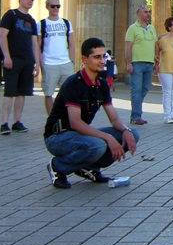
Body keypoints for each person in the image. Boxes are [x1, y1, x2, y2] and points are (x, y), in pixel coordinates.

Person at [44, 37, 140, 189]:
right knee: (98, 145)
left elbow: (114, 118)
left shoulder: (101, 84)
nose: (102, 61)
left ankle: (88, 167)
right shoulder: (73, 83)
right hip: (58, 137)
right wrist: (107, 137)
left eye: (103, 57)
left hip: (79, 136)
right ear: (84, 59)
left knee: (132, 134)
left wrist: (125, 130)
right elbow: (75, 123)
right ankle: (58, 166)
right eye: (97, 57)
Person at [0, 0, 41, 135]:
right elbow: (2, 35)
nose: (30, 2)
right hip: (13, 59)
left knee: (22, 93)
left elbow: (34, 43)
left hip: (27, 60)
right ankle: (4, 123)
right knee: (9, 92)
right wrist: (6, 57)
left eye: (32, 0)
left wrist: (36, 63)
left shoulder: (31, 20)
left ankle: (17, 122)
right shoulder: (11, 15)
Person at [37, 0, 75, 115]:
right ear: (47, 7)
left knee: (69, 92)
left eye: (57, 6)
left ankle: (66, 117)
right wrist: (40, 63)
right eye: (53, 6)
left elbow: (72, 43)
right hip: (49, 63)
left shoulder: (66, 23)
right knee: (48, 93)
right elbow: (37, 45)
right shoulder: (41, 24)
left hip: (65, 63)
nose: (55, 8)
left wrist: (71, 61)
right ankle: (51, 119)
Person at [124, 6, 158, 125]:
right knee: (136, 89)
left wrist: (156, 62)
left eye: (148, 12)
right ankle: (135, 116)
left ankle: (136, 111)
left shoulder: (152, 28)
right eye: (145, 12)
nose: (148, 14)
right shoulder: (132, 28)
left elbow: (155, 45)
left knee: (144, 89)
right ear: (139, 14)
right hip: (136, 63)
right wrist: (129, 63)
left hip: (149, 63)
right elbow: (128, 47)